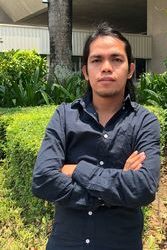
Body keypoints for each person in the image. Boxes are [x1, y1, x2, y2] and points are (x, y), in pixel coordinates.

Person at [32, 22, 160, 250]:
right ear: (85, 71)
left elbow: (143, 189)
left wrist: (77, 169)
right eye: (97, 60)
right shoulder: (64, 116)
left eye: (116, 59)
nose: (106, 67)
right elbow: (43, 180)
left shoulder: (144, 121)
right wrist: (116, 185)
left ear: (130, 69)